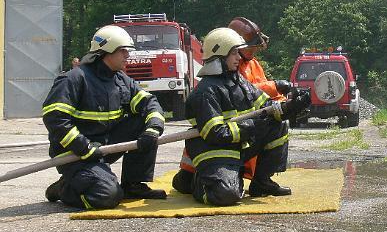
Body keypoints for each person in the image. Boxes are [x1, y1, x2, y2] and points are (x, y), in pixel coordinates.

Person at [180, 27, 309, 206]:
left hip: (239, 143)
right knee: (227, 195)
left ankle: (262, 183)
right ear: (219, 55)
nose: (239, 58)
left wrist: (291, 107)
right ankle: (199, 183)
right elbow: (215, 133)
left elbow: (266, 107)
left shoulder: (237, 81)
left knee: (277, 124)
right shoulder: (205, 92)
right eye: (234, 53)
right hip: (215, 151)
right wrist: (251, 127)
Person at [42, 25, 167, 209]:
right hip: (75, 153)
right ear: (107, 51)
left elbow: (149, 102)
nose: (128, 55)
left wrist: (153, 129)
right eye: (123, 50)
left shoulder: (121, 79)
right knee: (108, 196)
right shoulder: (74, 79)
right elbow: (55, 118)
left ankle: (133, 184)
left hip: (104, 147)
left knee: (143, 122)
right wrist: (83, 146)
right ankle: (65, 188)